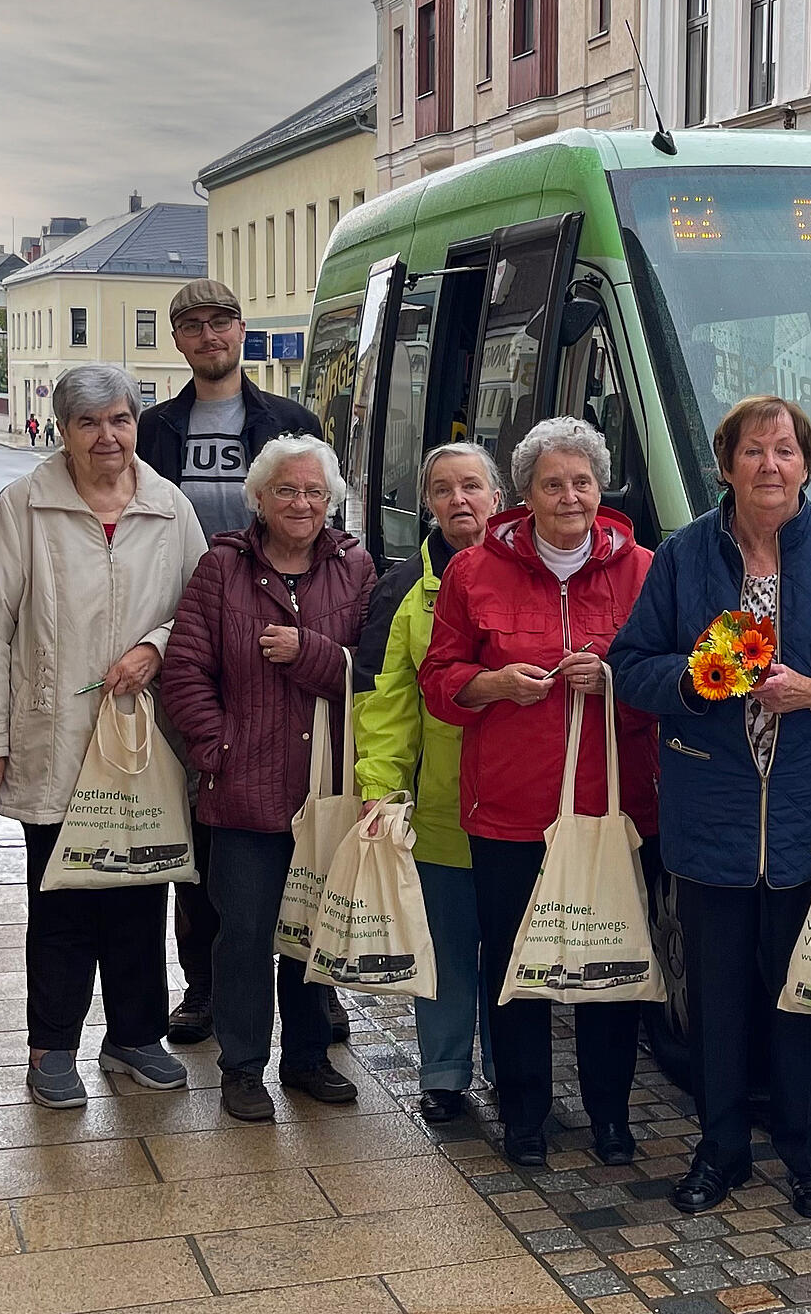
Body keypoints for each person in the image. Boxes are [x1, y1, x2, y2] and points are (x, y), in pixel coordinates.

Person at [609, 396, 811, 1219]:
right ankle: (720, 1150)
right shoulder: (683, 554)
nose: (771, 466)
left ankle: (809, 1155)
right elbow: (631, 666)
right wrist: (696, 675)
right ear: (726, 466)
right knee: (715, 1004)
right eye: (754, 451)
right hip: (709, 811)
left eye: (786, 450)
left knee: (807, 997)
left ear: (806, 465)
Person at [0, 364, 209, 1109]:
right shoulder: (23, 506)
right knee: (61, 901)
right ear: (61, 430)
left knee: (138, 895)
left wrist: (156, 646)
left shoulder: (169, 507)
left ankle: (134, 1036)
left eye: (121, 421)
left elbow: (202, 610)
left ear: (137, 423)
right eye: (90, 424)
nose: (109, 438)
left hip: (142, 744)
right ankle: (52, 1047)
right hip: (54, 736)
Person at [419, 417, 657, 1169]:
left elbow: (672, 681)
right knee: (515, 967)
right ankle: (524, 1113)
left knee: (608, 968)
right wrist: (487, 684)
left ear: (601, 487)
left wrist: (616, 679)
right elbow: (438, 681)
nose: (569, 496)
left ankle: (610, 1116)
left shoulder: (644, 568)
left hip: (611, 809)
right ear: (523, 494)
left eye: (582, 481)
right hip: (510, 812)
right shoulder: (473, 572)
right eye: (552, 484)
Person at [135, 278, 342, 1048]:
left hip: (280, 643)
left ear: (241, 330)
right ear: (179, 340)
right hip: (191, 635)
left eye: (220, 321)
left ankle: (313, 993)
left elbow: (327, 530)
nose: (208, 336)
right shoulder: (154, 429)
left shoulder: (289, 422)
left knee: (300, 830)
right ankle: (206, 986)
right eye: (192, 325)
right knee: (204, 830)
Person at [158, 436, 377, 1121]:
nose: (302, 504)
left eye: (314, 492)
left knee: (314, 933)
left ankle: (309, 1060)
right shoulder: (222, 568)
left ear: (331, 500)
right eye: (287, 490)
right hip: (245, 789)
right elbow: (185, 669)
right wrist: (214, 748)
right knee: (245, 935)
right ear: (259, 497)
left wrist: (306, 651)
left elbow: (369, 673)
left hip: (323, 789)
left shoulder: (356, 567)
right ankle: (242, 1068)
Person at [354, 444, 504, 1123]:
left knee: (511, 951)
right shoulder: (402, 590)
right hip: (442, 805)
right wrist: (379, 791)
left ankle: (514, 1071)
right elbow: (386, 704)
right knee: (443, 951)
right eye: (444, 490)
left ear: (497, 497)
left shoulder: (527, 574)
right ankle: (444, 1077)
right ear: (429, 505)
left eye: (472, 485)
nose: (459, 500)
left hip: (520, 808)